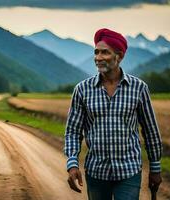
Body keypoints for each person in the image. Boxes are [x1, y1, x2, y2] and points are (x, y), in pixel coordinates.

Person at [64, 28, 162, 200]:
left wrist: (155, 167)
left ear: (119, 56)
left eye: (105, 53)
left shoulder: (139, 88)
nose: (98, 57)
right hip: (96, 172)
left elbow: (150, 130)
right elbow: (73, 131)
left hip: (129, 171)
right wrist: (72, 164)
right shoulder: (82, 90)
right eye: (96, 52)